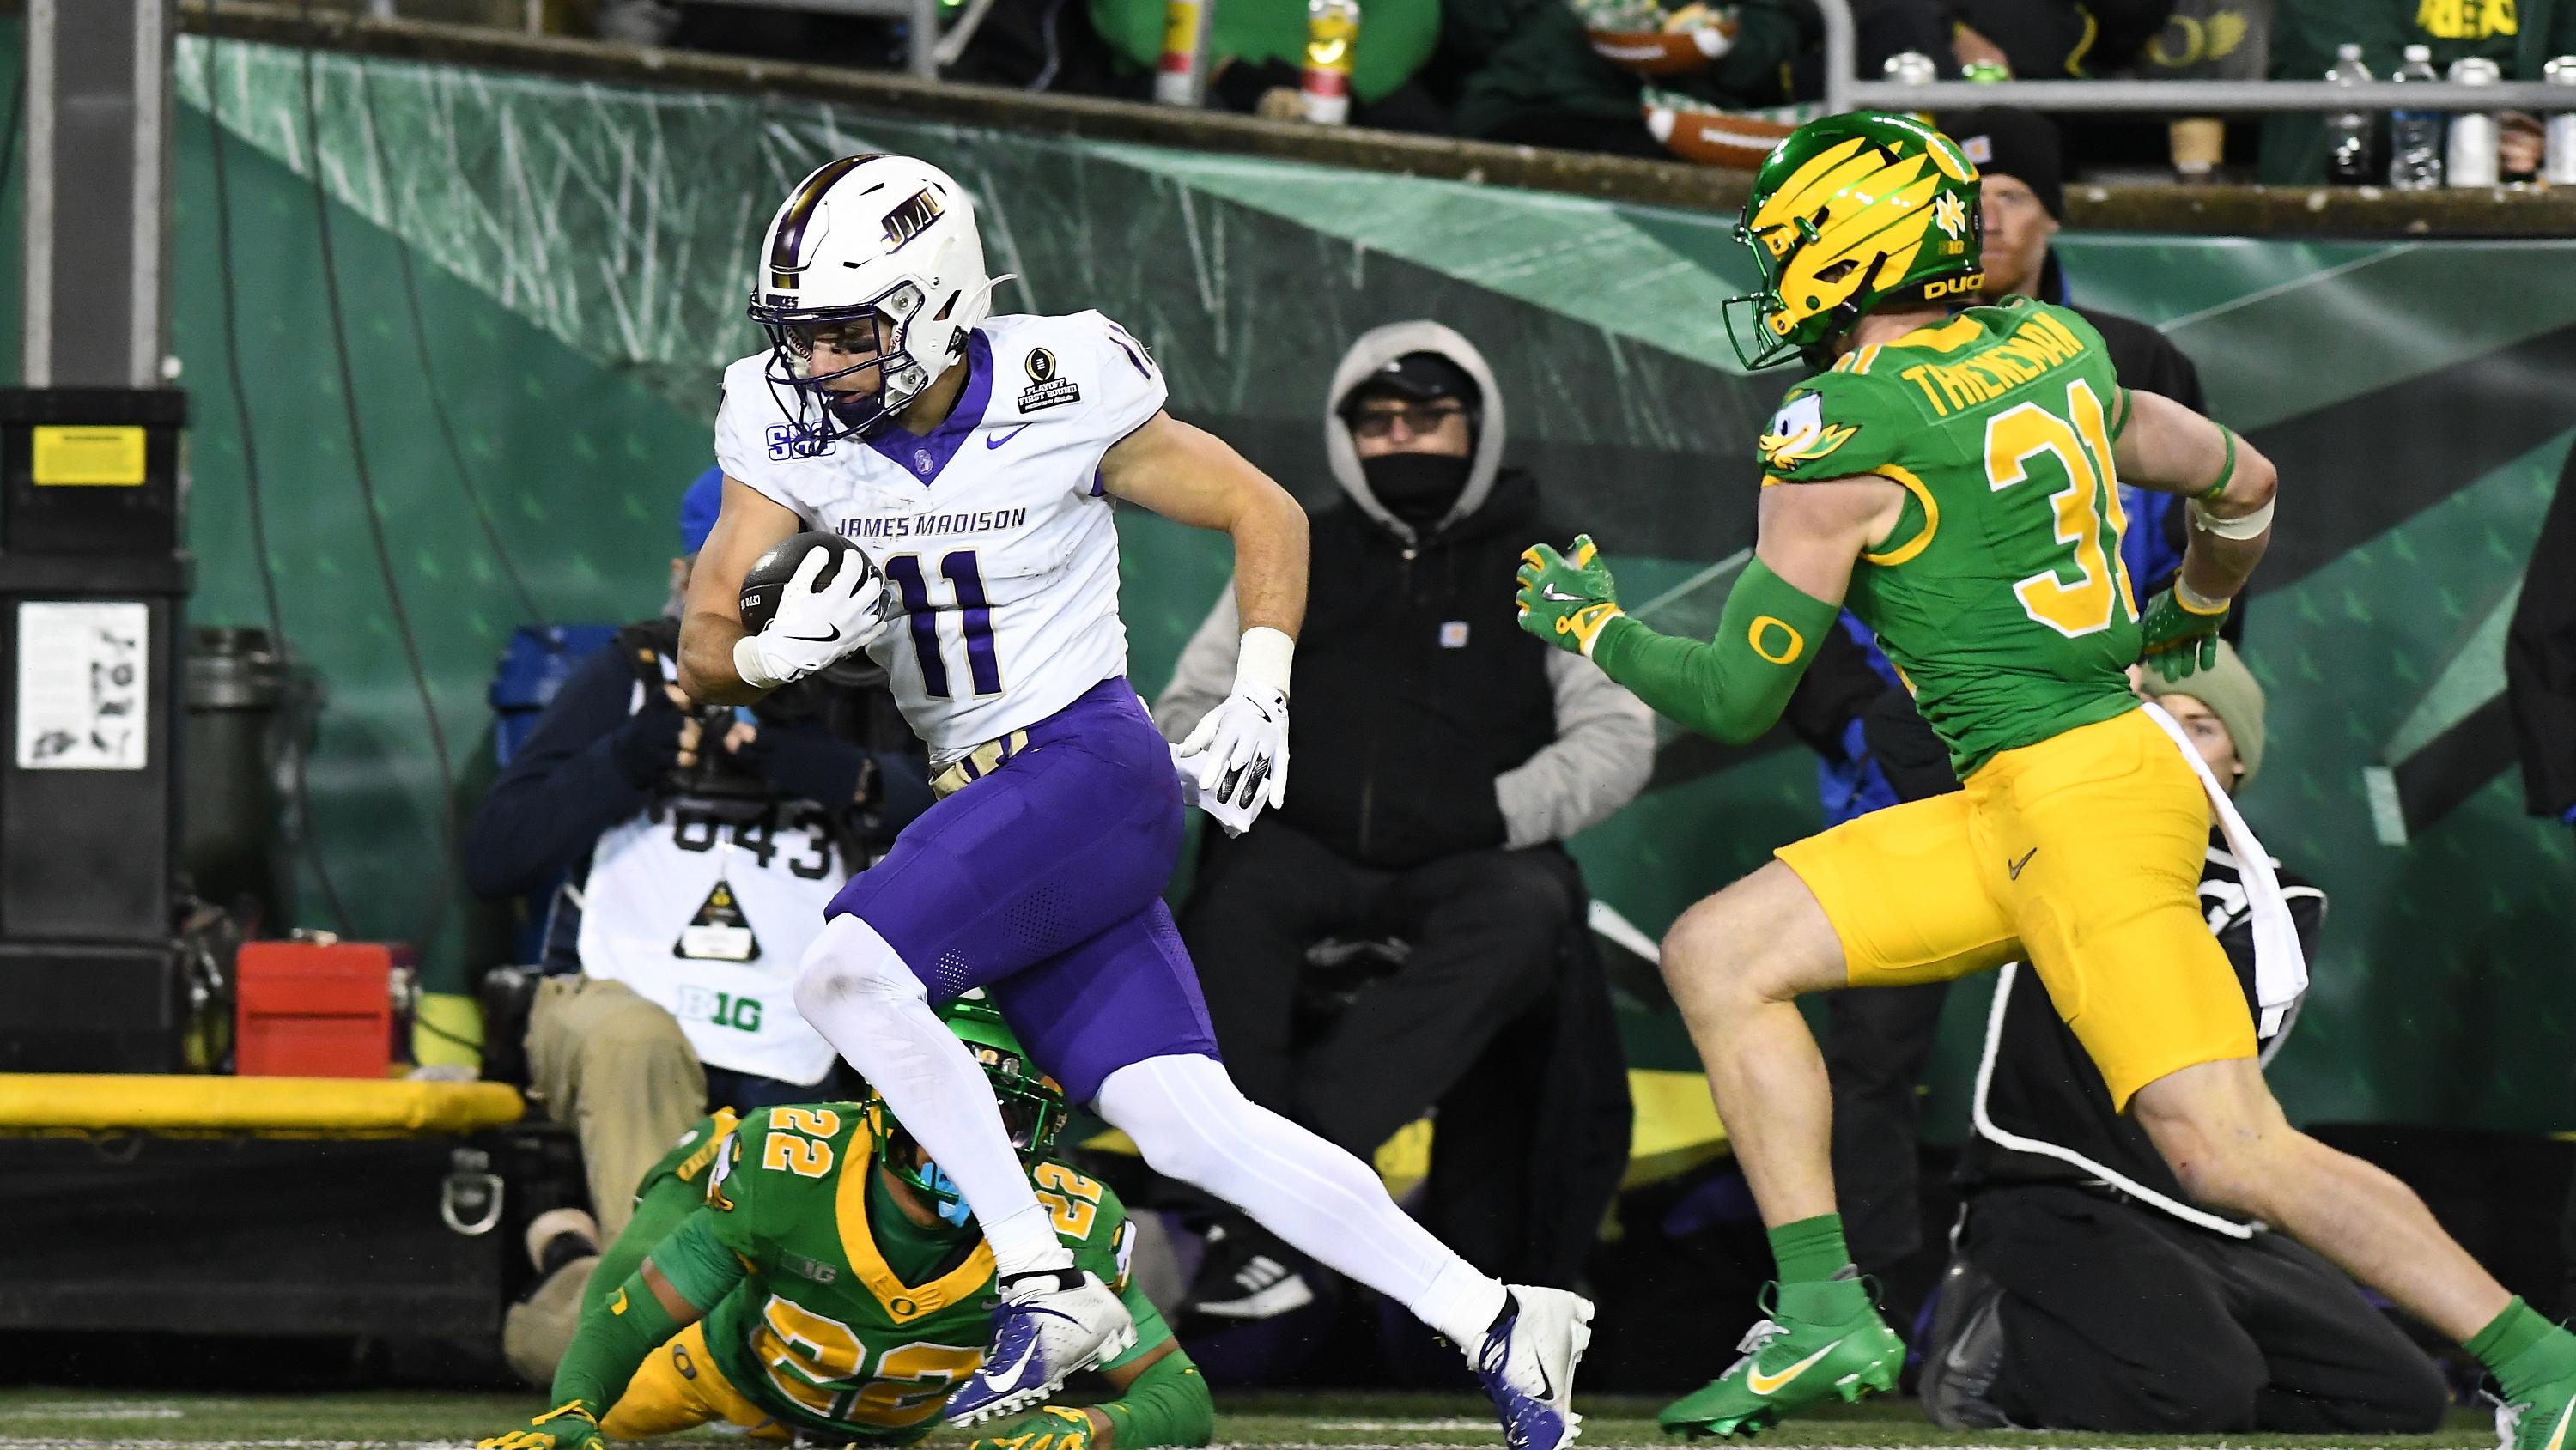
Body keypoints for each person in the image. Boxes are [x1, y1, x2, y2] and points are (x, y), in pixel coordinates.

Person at [1513, 110, 2576, 1447]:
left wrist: (1592, 627)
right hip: (2034, 794)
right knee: (1720, 953)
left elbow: (1736, 694)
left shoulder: (1840, 427)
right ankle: (1826, 1309)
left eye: (1789, 246)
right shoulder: (2056, 345)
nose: (1776, 278)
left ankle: (2542, 1360)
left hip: (2078, 805)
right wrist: (2190, 611)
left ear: (1853, 253)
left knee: (2228, 1148)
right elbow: (2243, 477)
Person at [676, 154, 1589, 1447]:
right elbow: (702, 639)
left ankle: (1045, 1283)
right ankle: (1495, 1313)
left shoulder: (1063, 380)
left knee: (844, 976)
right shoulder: (781, 420)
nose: (819, 365)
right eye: (803, 336)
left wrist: (1261, 689)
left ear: (933, 304)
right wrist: (766, 656)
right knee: (1182, 1124)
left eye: (847, 333)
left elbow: (1264, 509)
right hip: (993, 799)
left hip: (1086, 763)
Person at [1786, 104, 2225, 1315]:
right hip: (1901, 754)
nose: (1982, 220)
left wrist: (2185, 694)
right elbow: (1783, 592)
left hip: (2091, 750)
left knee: (2114, 1052)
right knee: (1872, 1054)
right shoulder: (1847, 373)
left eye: (2008, 197)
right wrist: (1854, 719)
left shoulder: (2117, 349)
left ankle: (2129, 1301)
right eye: (1958, 203)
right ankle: (1876, 1304)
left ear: (2056, 213)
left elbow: (2210, 531)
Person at [1153, 325, 1649, 1317]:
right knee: (1231, 902)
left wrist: (1491, 809)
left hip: (1473, 852)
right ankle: (1245, 1204)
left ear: (1477, 425)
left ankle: (1278, 1205)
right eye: (1378, 423)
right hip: (1306, 841)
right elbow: (1188, 707)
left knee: (1528, 911)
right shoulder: (1295, 543)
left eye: (1428, 419)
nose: (1403, 441)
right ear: (1346, 439)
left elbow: (1617, 733)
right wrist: (1269, 786)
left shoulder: (1543, 557)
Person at [1919, 645, 2450, 1435]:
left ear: (2239, 760)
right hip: (2055, 1192)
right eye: (2154, 725)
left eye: (2198, 728)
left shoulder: (2279, 902)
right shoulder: (2054, 842)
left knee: (2402, 1396)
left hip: (2198, 1212)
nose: (2173, 745)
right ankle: (2000, 1338)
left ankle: (2162, 1356)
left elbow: (2199, 1052)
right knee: (2200, 1393)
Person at [474, 997, 1216, 1450]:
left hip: (882, 1419)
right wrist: (573, 1407)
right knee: (573, 1338)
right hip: (723, 1371)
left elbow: (1179, 1394)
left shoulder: (1071, 1222)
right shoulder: (795, 1167)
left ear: (1046, 1127)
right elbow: (628, 1322)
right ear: (890, 1094)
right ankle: (570, 1244)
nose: (963, 1138)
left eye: (1002, 1115)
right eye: (942, 1104)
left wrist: (1095, 1428)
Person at [2263, 0, 2574, 184]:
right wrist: (2481, 131)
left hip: (2529, 199)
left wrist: (2556, 135)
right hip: (2346, 211)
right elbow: (2367, 73)